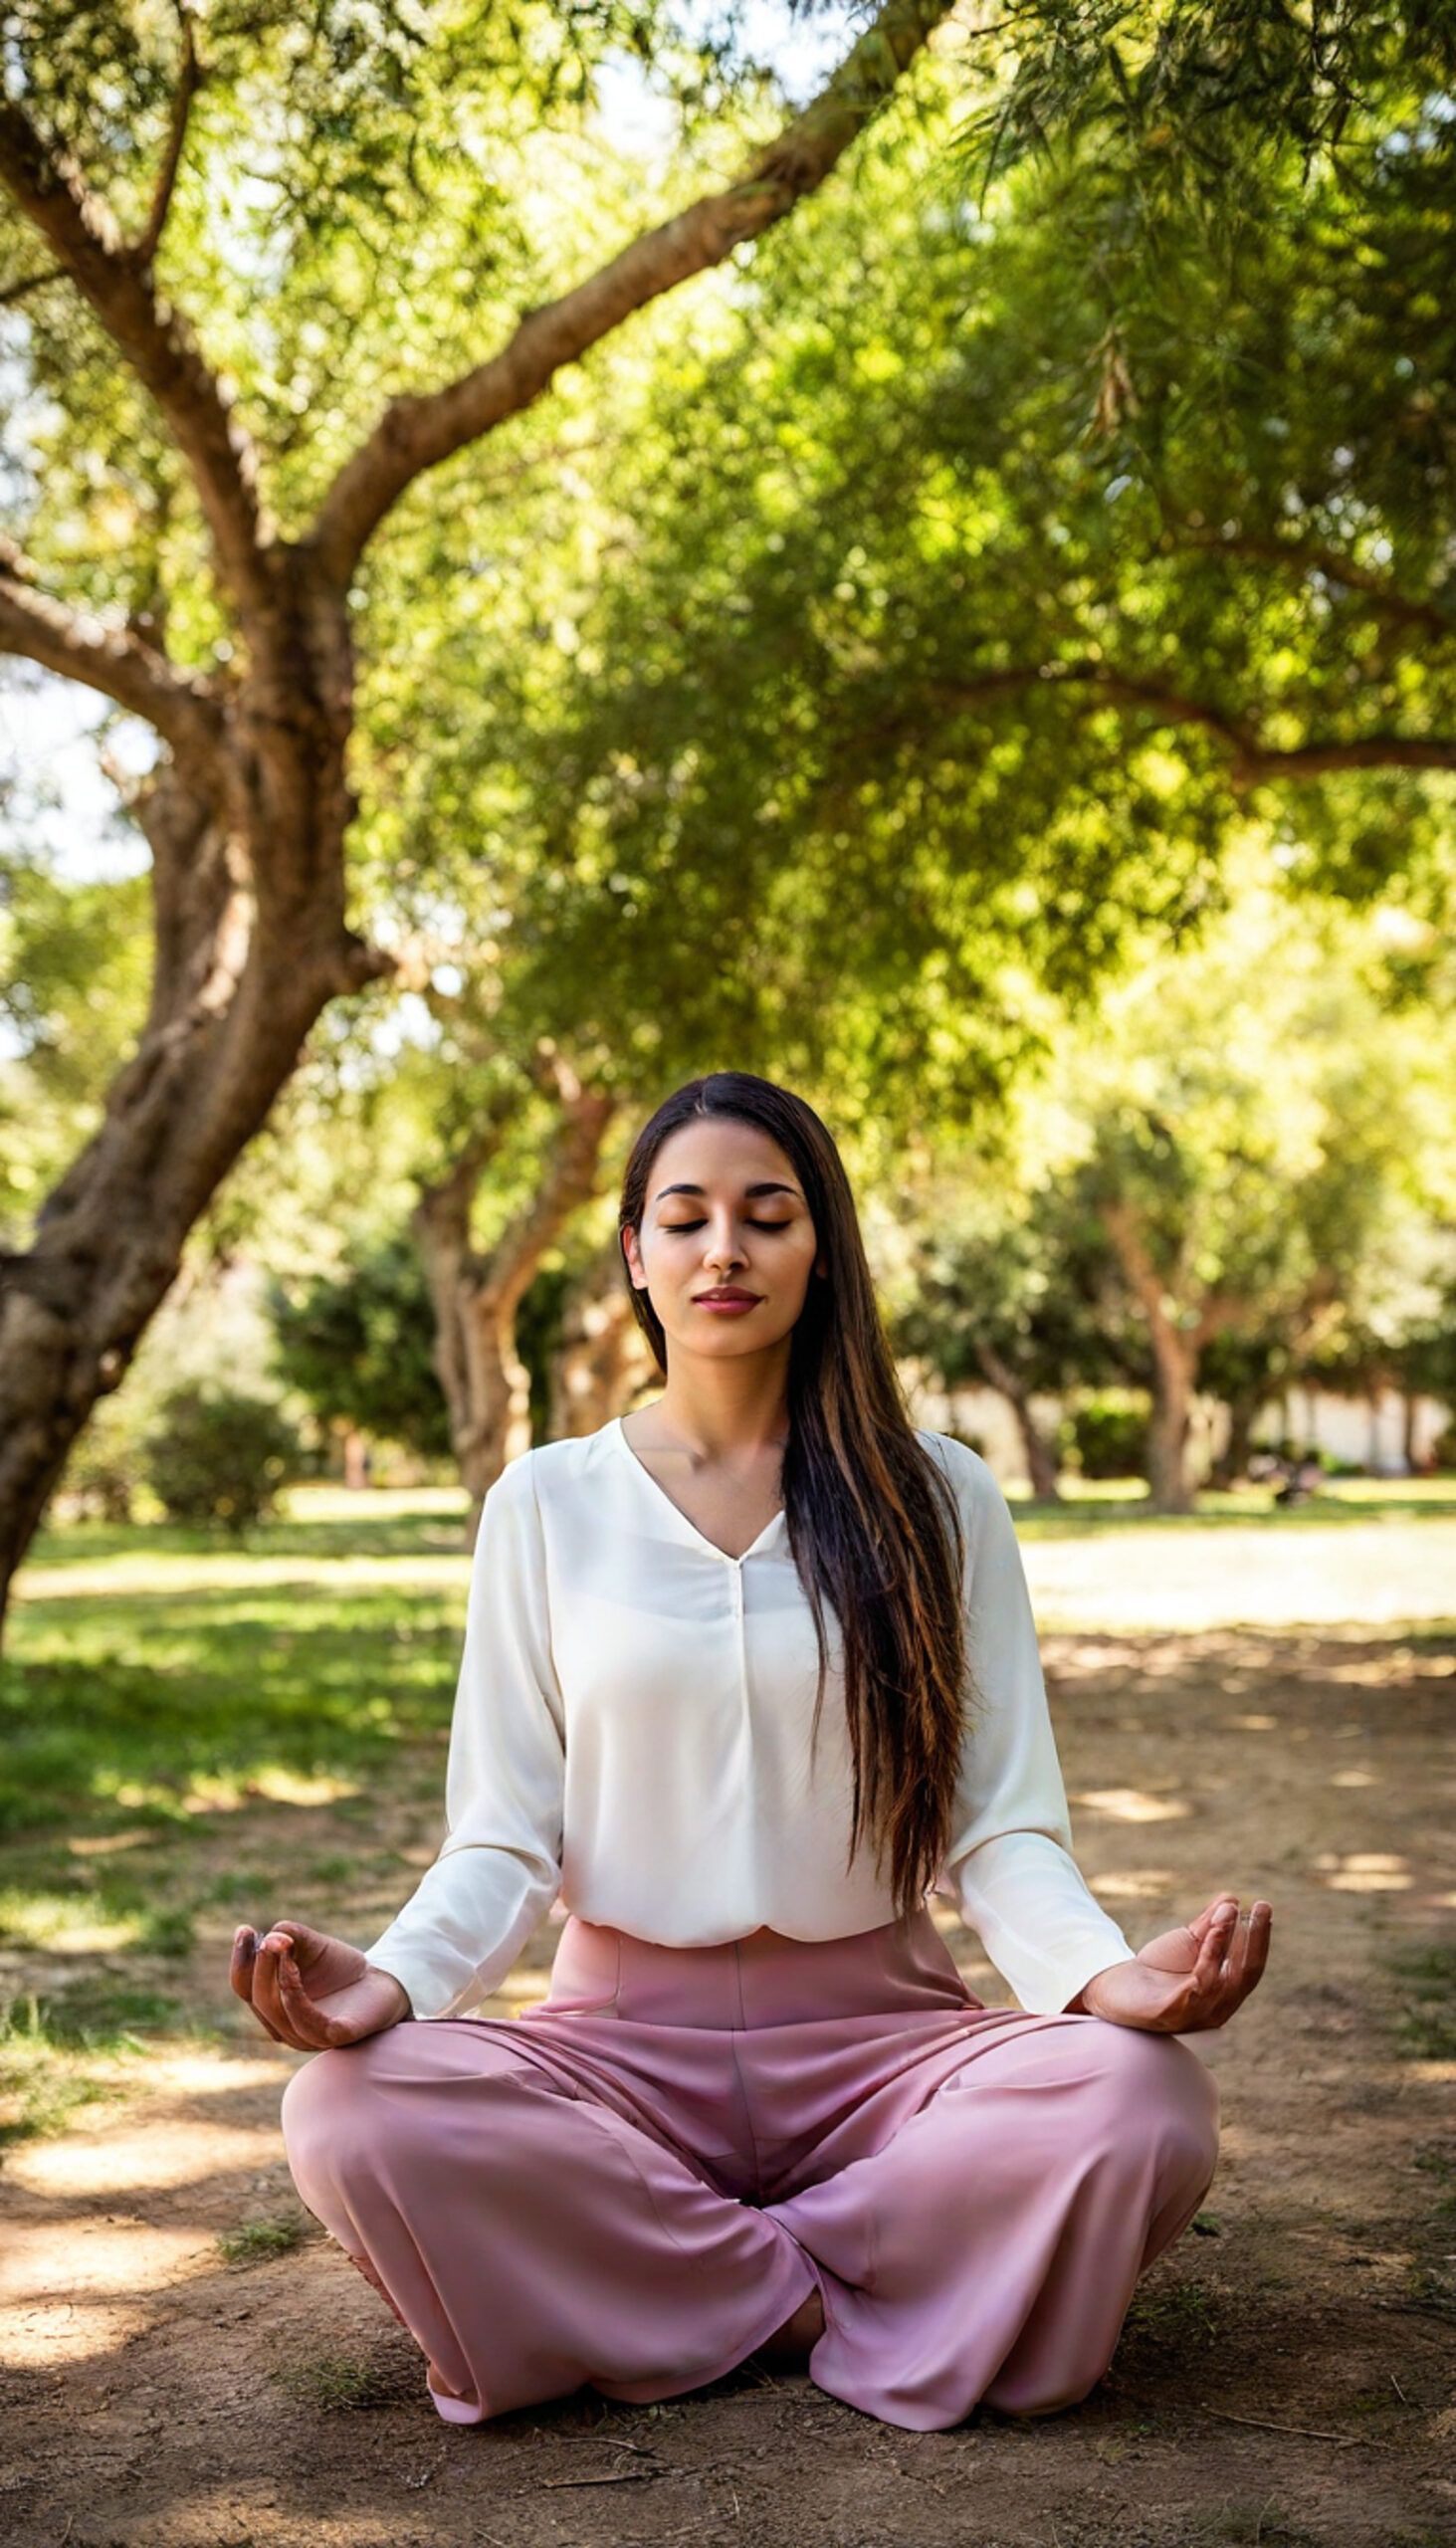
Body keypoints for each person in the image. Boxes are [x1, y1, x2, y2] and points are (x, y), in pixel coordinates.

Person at [233, 1072, 1272, 2435]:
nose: (724, 1249)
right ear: (636, 1254)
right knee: (351, 2116)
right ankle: (841, 2294)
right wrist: (399, 1982)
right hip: (619, 2049)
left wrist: (1100, 1976)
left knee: (1144, 2105)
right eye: (686, 1217)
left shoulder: (938, 1491)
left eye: (767, 1215)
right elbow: (504, 1830)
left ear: (820, 1247)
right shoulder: (546, 1502)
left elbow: (999, 1827)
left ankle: (675, 2295)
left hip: (892, 2048)